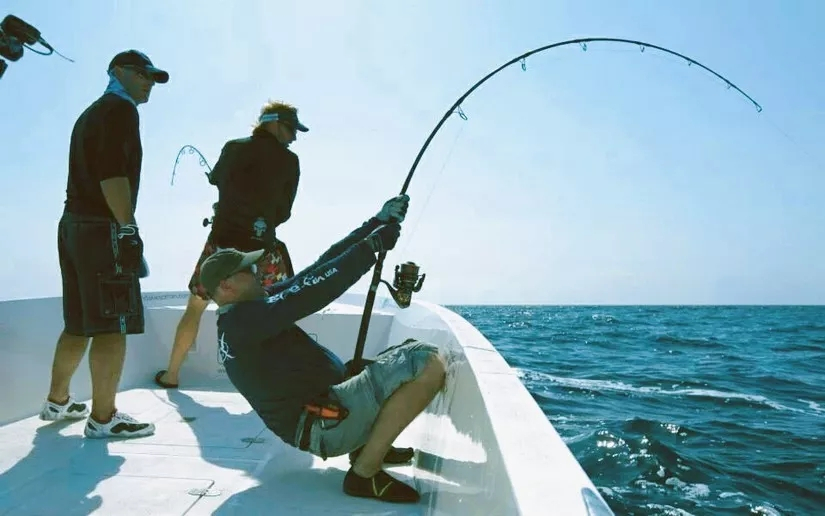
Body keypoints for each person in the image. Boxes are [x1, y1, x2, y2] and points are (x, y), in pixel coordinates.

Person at [198, 201, 447, 504]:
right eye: (248, 270)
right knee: (425, 362)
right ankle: (364, 474)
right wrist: (370, 248)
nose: (258, 271)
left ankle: (368, 446)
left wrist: (375, 223)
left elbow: (316, 271)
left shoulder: (247, 310)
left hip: (327, 411)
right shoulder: (243, 322)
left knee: (381, 359)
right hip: (326, 425)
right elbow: (314, 291)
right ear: (226, 286)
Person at [40, 50, 169, 438]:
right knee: (113, 325)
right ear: (118, 72)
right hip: (102, 227)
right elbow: (112, 173)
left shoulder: (90, 113)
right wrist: (127, 228)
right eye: (142, 74)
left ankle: (57, 401)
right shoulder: (120, 110)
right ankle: (103, 418)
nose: (148, 82)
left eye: (152, 77)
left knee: (79, 323)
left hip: (72, 226)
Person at [154, 101, 307, 389]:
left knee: (195, 307)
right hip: (262, 251)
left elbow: (217, 179)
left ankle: (171, 375)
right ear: (274, 122)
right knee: (274, 314)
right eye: (291, 129)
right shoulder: (290, 161)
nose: (294, 137)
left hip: (220, 247)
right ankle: (273, 386)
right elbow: (284, 212)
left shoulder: (233, 147)